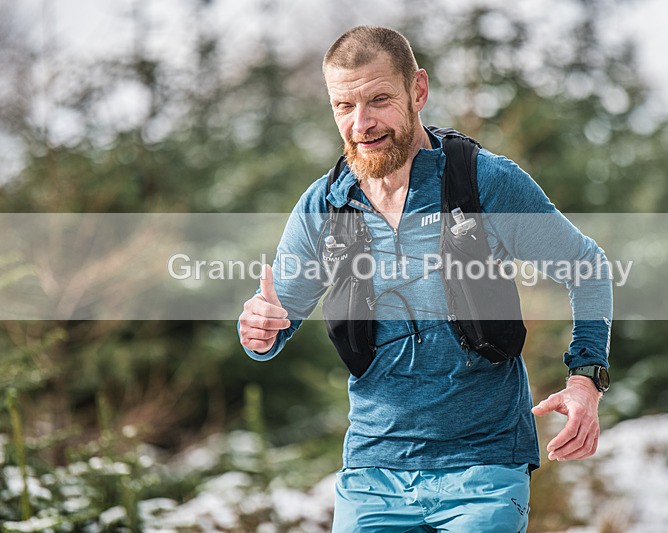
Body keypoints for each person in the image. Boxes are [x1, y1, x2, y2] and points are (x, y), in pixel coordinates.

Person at [238, 25, 612, 532]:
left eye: (379, 100)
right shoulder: (324, 206)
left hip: (485, 470)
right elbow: (274, 326)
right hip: (373, 473)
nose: (361, 124)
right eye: (343, 107)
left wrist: (585, 378)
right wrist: (261, 328)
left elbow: (587, 268)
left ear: (418, 90)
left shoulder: (485, 182)